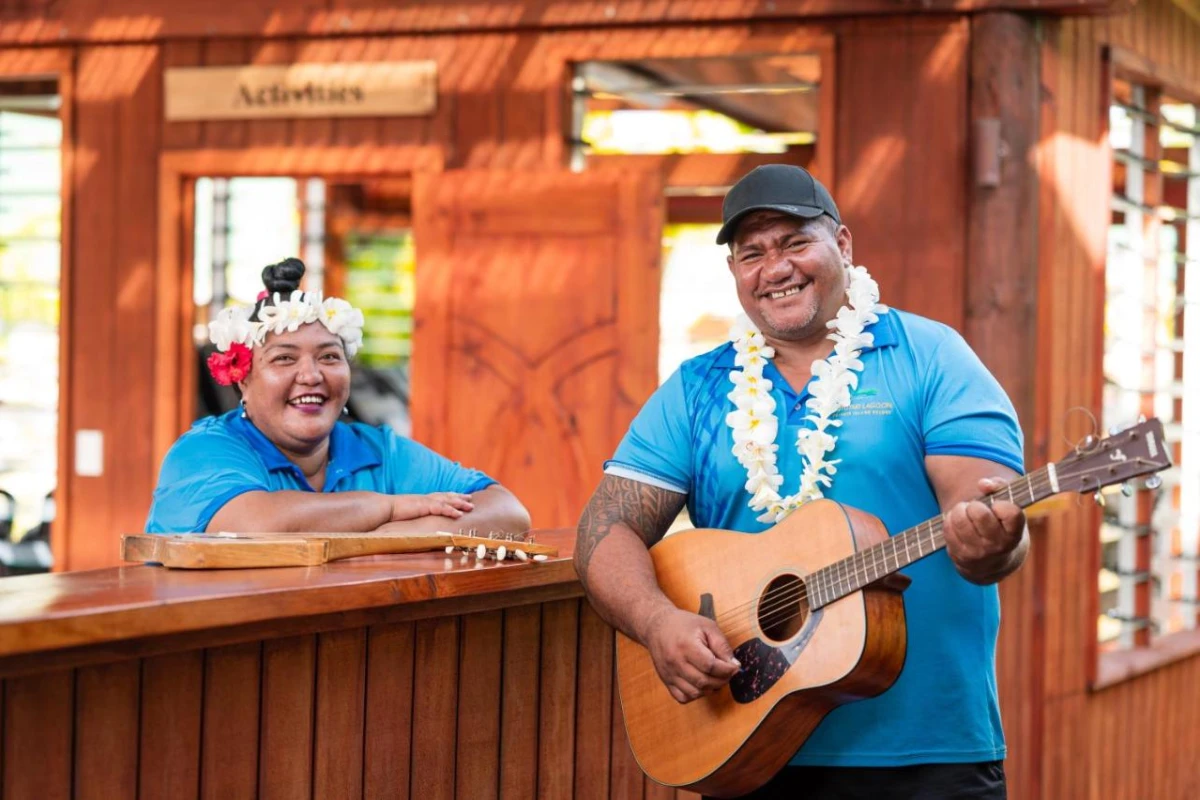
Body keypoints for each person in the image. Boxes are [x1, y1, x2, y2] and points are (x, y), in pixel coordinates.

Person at [575, 164, 1026, 799]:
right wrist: (656, 623)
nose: (775, 268)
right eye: (751, 253)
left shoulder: (932, 357)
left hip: (927, 753)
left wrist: (992, 541)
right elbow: (605, 527)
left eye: (794, 243)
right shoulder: (698, 387)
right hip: (743, 741)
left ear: (841, 244)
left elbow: (986, 527)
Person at [146, 257, 531, 536]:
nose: (312, 375)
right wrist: (392, 507)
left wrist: (387, 541)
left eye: (330, 356)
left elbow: (508, 512)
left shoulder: (380, 451)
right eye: (284, 358)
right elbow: (256, 526)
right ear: (242, 380)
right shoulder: (202, 453)